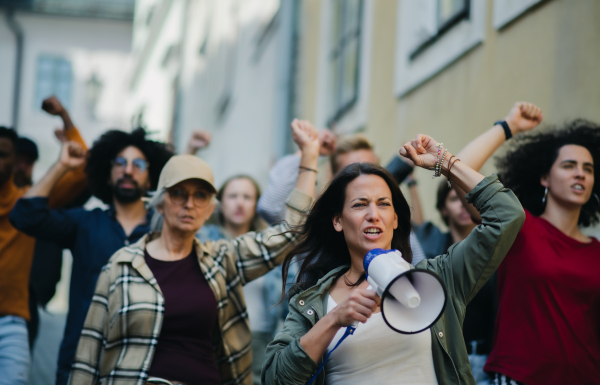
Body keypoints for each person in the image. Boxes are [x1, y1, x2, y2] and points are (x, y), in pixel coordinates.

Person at [69, 119, 319, 385]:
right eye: (178, 193)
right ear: (160, 203)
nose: (189, 204)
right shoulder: (122, 265)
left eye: (200, 195)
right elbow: (88, 352)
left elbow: (291, 231)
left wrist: (310, 157)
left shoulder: (220, 259)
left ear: (210, 208)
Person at [262, 134, 526, 385]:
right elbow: (276, 378)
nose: (373, 214)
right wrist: (333, 319)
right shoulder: (312, 302)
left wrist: (446, 163)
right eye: (359, 204)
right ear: (338, 221)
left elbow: (507, 215)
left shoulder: (440, 278)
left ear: (396, 219)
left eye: (384, 204)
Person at [10, 127, 173, 385]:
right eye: (120, 163)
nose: (128, 170)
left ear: (150, 178)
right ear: (107, 175)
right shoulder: (85, 223)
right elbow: (24, 216)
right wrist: (61, 166)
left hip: (147, 366)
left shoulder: (165, 231)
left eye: (138, 164)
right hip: (82, 364)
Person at [451, 103, 600, 384]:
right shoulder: (518, 226)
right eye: (569, 166)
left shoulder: (596, 252)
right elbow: (460, 169)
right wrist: (509, 126)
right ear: (544, 178)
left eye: (588, 169)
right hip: (520, 378)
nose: (580, 173)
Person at [0, 118, 87, 385]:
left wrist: (65, 117)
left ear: (15, 162)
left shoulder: (26, 206)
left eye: (2, 154)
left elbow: (82, 170)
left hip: (11, 321)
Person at [257, 132, 426, 265]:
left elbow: (422, 279)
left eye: (370, 169)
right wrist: (308, 150)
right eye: (352, 172)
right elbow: (270, 208)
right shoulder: (317, 227)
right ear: (334, 180)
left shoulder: (390, 223)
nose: (363, 177)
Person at [197, 175, 280, 385]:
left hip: (259, 340)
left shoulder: (271, 246)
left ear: (256, 204)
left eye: (247, 197)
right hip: (212, 339)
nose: (240, 202)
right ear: (220, 203)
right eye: (233, 196)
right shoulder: (201, 240)